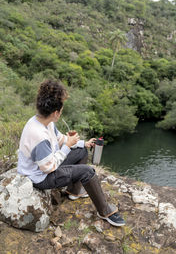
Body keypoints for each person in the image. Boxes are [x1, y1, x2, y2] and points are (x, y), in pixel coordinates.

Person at [17, 79, 125, 227]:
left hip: (46, 166)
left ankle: (74, 191)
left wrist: (81, 143)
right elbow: (49, 168)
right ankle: (105, 211)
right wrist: (67, 146)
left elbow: (60, 138)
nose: (61, 113)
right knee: (88, 172)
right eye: (61, 110)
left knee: (81, 151)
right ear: (56, 112)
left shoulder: (43, 122)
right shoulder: (38, 135)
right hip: (40, 178)